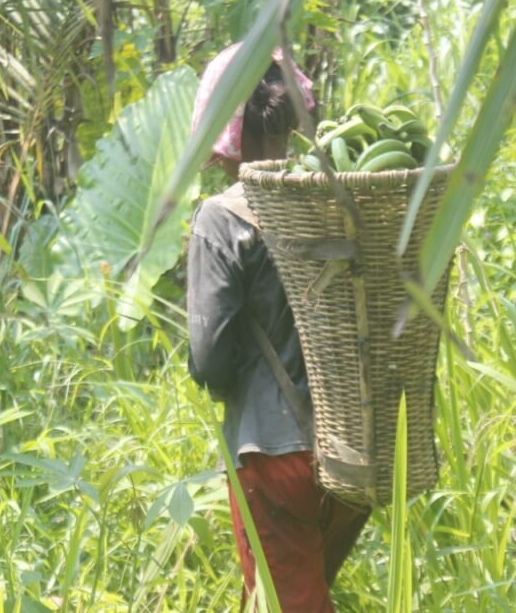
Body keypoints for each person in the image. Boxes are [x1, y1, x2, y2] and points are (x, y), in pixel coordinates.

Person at [186, 43, 370, 613]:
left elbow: (209, 358)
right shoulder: (334, 201)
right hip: (353, 450)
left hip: (274, 458)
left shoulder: (223, 216)